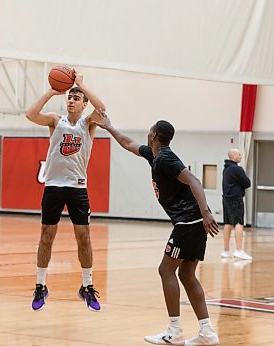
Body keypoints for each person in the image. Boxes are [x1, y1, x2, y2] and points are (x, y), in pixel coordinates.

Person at [94, 112, 219, 345]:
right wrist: (109, 127)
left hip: (188, 222)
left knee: (166, 270)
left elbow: (194, 180)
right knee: (186, 274)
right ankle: (207, 332)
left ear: (153, 135)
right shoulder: (155, 155)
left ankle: (174, 331)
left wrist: (206, 212)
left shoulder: (165, 159)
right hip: (192, 223)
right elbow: (128, 143)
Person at [25, 71, 106, 312]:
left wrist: (81, 84)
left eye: (76, 98)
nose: (71, 100)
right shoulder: (55, 120)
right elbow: (30, 114)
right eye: (69, 97)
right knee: (46, 237)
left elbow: (102, 108)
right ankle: (40, 285)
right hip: (53, 187)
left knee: (84, 238)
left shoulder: (88, 123)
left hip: (78, 188)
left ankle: (87, 286)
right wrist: (51, 91)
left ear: (83, 104)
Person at [221, 149, 252, 260]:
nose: (240, 156)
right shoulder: (236, 169)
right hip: (235, 199)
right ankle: (239, 250)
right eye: (239, 154)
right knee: (239, 223)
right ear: (233, 156)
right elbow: (247, 183)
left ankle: (226, 250)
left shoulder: (226, 169)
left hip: (226, 199)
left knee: (228, 223)